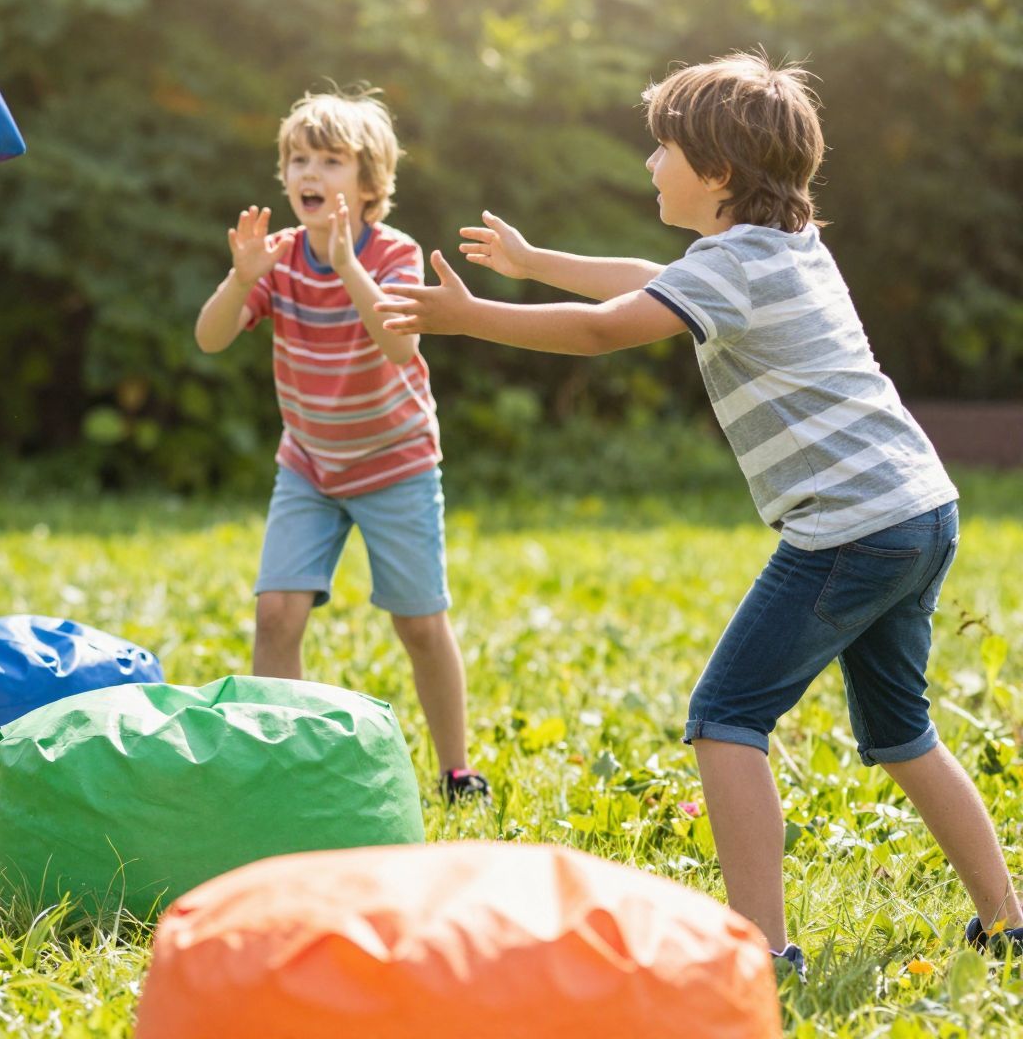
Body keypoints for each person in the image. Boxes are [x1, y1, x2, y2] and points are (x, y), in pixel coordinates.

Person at [376, 52, 1020, 976]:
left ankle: (761, 951)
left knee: (726, 717)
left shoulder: (735, 267)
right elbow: (649, 279)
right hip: (918, 509)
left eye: (663, 149)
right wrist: (534, 263)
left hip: (848, 527)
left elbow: (607, 326)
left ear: (717, 171)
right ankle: (1006, 921)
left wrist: (472, 316)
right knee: (901, 731)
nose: (649, 163)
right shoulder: (782, 248)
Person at [193, 89, 488, 802]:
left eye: (330, 161)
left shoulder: (393, 252)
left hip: (395, 464)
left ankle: (456, 769)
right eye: (299, 159)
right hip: (309, 466)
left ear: (368, 181)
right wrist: (241, 278)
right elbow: (209, 338)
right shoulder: (279, 258)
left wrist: (346, 265)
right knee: (276, 613)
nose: (310, 172)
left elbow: (400, 344)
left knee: (420, 624)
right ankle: (275, 762)